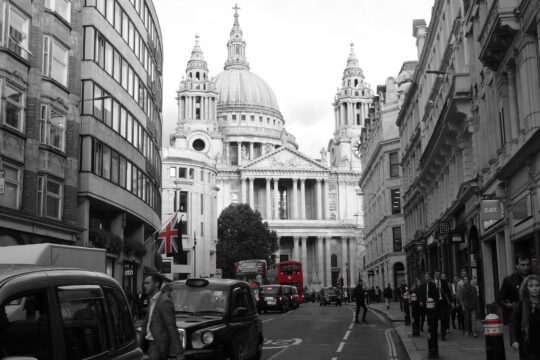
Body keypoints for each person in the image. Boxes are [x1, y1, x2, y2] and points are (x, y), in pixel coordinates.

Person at [140, 273, 184, 360]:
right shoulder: (152, 300)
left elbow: (172, 327)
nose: (144, 286)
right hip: (149, 343)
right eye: (144, 283)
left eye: (148, 283)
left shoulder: (164, 302)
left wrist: (179, 352)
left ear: (156, 284)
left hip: (158, 346)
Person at [510, 274, 540, 360]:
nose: (534, 288)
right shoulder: (521, 306)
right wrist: (514, 340)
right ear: (526, 289)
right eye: (531, 286)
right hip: (528, 348)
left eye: (537, 285)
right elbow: (513, 323)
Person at [499, 254, 532, 325]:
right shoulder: (509, 280)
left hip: (533, 318)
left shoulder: (534, 278)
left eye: (527, 264)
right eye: (522, 265)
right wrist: (508, 305)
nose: (526, 267)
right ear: (517, 266)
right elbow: (500, 299)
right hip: (516, 319)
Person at [433, 271, 451, 340]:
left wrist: (450, 300)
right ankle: (435, 332)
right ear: (434, 275)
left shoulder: (443, 282)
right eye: (436, 274)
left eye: (439, 275)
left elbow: (448, 291)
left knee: (443, 319)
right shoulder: (432, 283)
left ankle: (443, 335)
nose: (438, 276)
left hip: (443, 303)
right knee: (435, 320)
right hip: (435, 304)